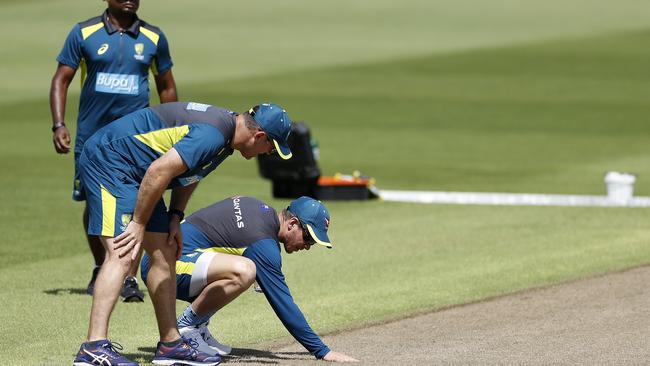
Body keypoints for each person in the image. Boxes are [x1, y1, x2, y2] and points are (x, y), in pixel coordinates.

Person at [72, 102, 293, 366]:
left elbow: (190, 173)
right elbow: (159, 170)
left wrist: (175, 216)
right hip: (110, 163)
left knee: (164, 252)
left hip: (139, 175)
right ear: (259, 136)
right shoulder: (212, 135)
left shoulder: (225, 141)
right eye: (270, 148)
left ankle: (170, 345)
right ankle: (93, 348)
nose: (267, 153)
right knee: (123, 252)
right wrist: (139, 223)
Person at [49, 0, 178, 302]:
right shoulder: (84, 32)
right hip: (92, 140)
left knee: (135, 203)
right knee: (94, 204)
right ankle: (101, 265)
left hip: (137, 142)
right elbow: (61, 79)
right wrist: (58, 124)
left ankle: (128, 276)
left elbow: (167, 86)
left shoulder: (154, 38)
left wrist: (168, 127)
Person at [140, 196, 360, 363]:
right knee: (245, 271)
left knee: (244, 268)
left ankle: (198, 325)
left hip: (163, 259)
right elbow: (284, 304)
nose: (307, 246)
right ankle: (188, 328)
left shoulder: (259, 209)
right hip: (162, 267)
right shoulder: (263, 244)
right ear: (292, 223)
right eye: (308, 237)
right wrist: (322, 351)